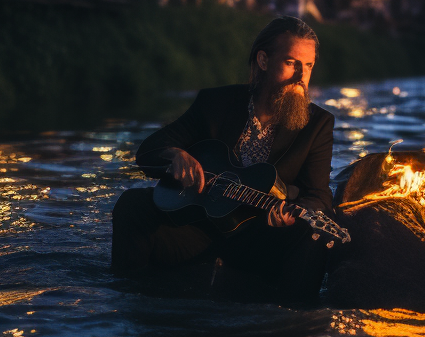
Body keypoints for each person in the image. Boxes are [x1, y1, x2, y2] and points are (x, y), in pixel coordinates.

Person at [111, 16, 336, 303]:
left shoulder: (317, 123)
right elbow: (150, 149)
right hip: (198, 231)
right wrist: (175, 154)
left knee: (312, 235)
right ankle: (125, 300)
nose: (301, 76)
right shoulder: (215, 103)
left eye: (309, 66)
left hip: (259, 238)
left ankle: (292, 328)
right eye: (292, 63)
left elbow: (317, 197)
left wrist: (289, 218)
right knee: (133, 204)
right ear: (264, 60)